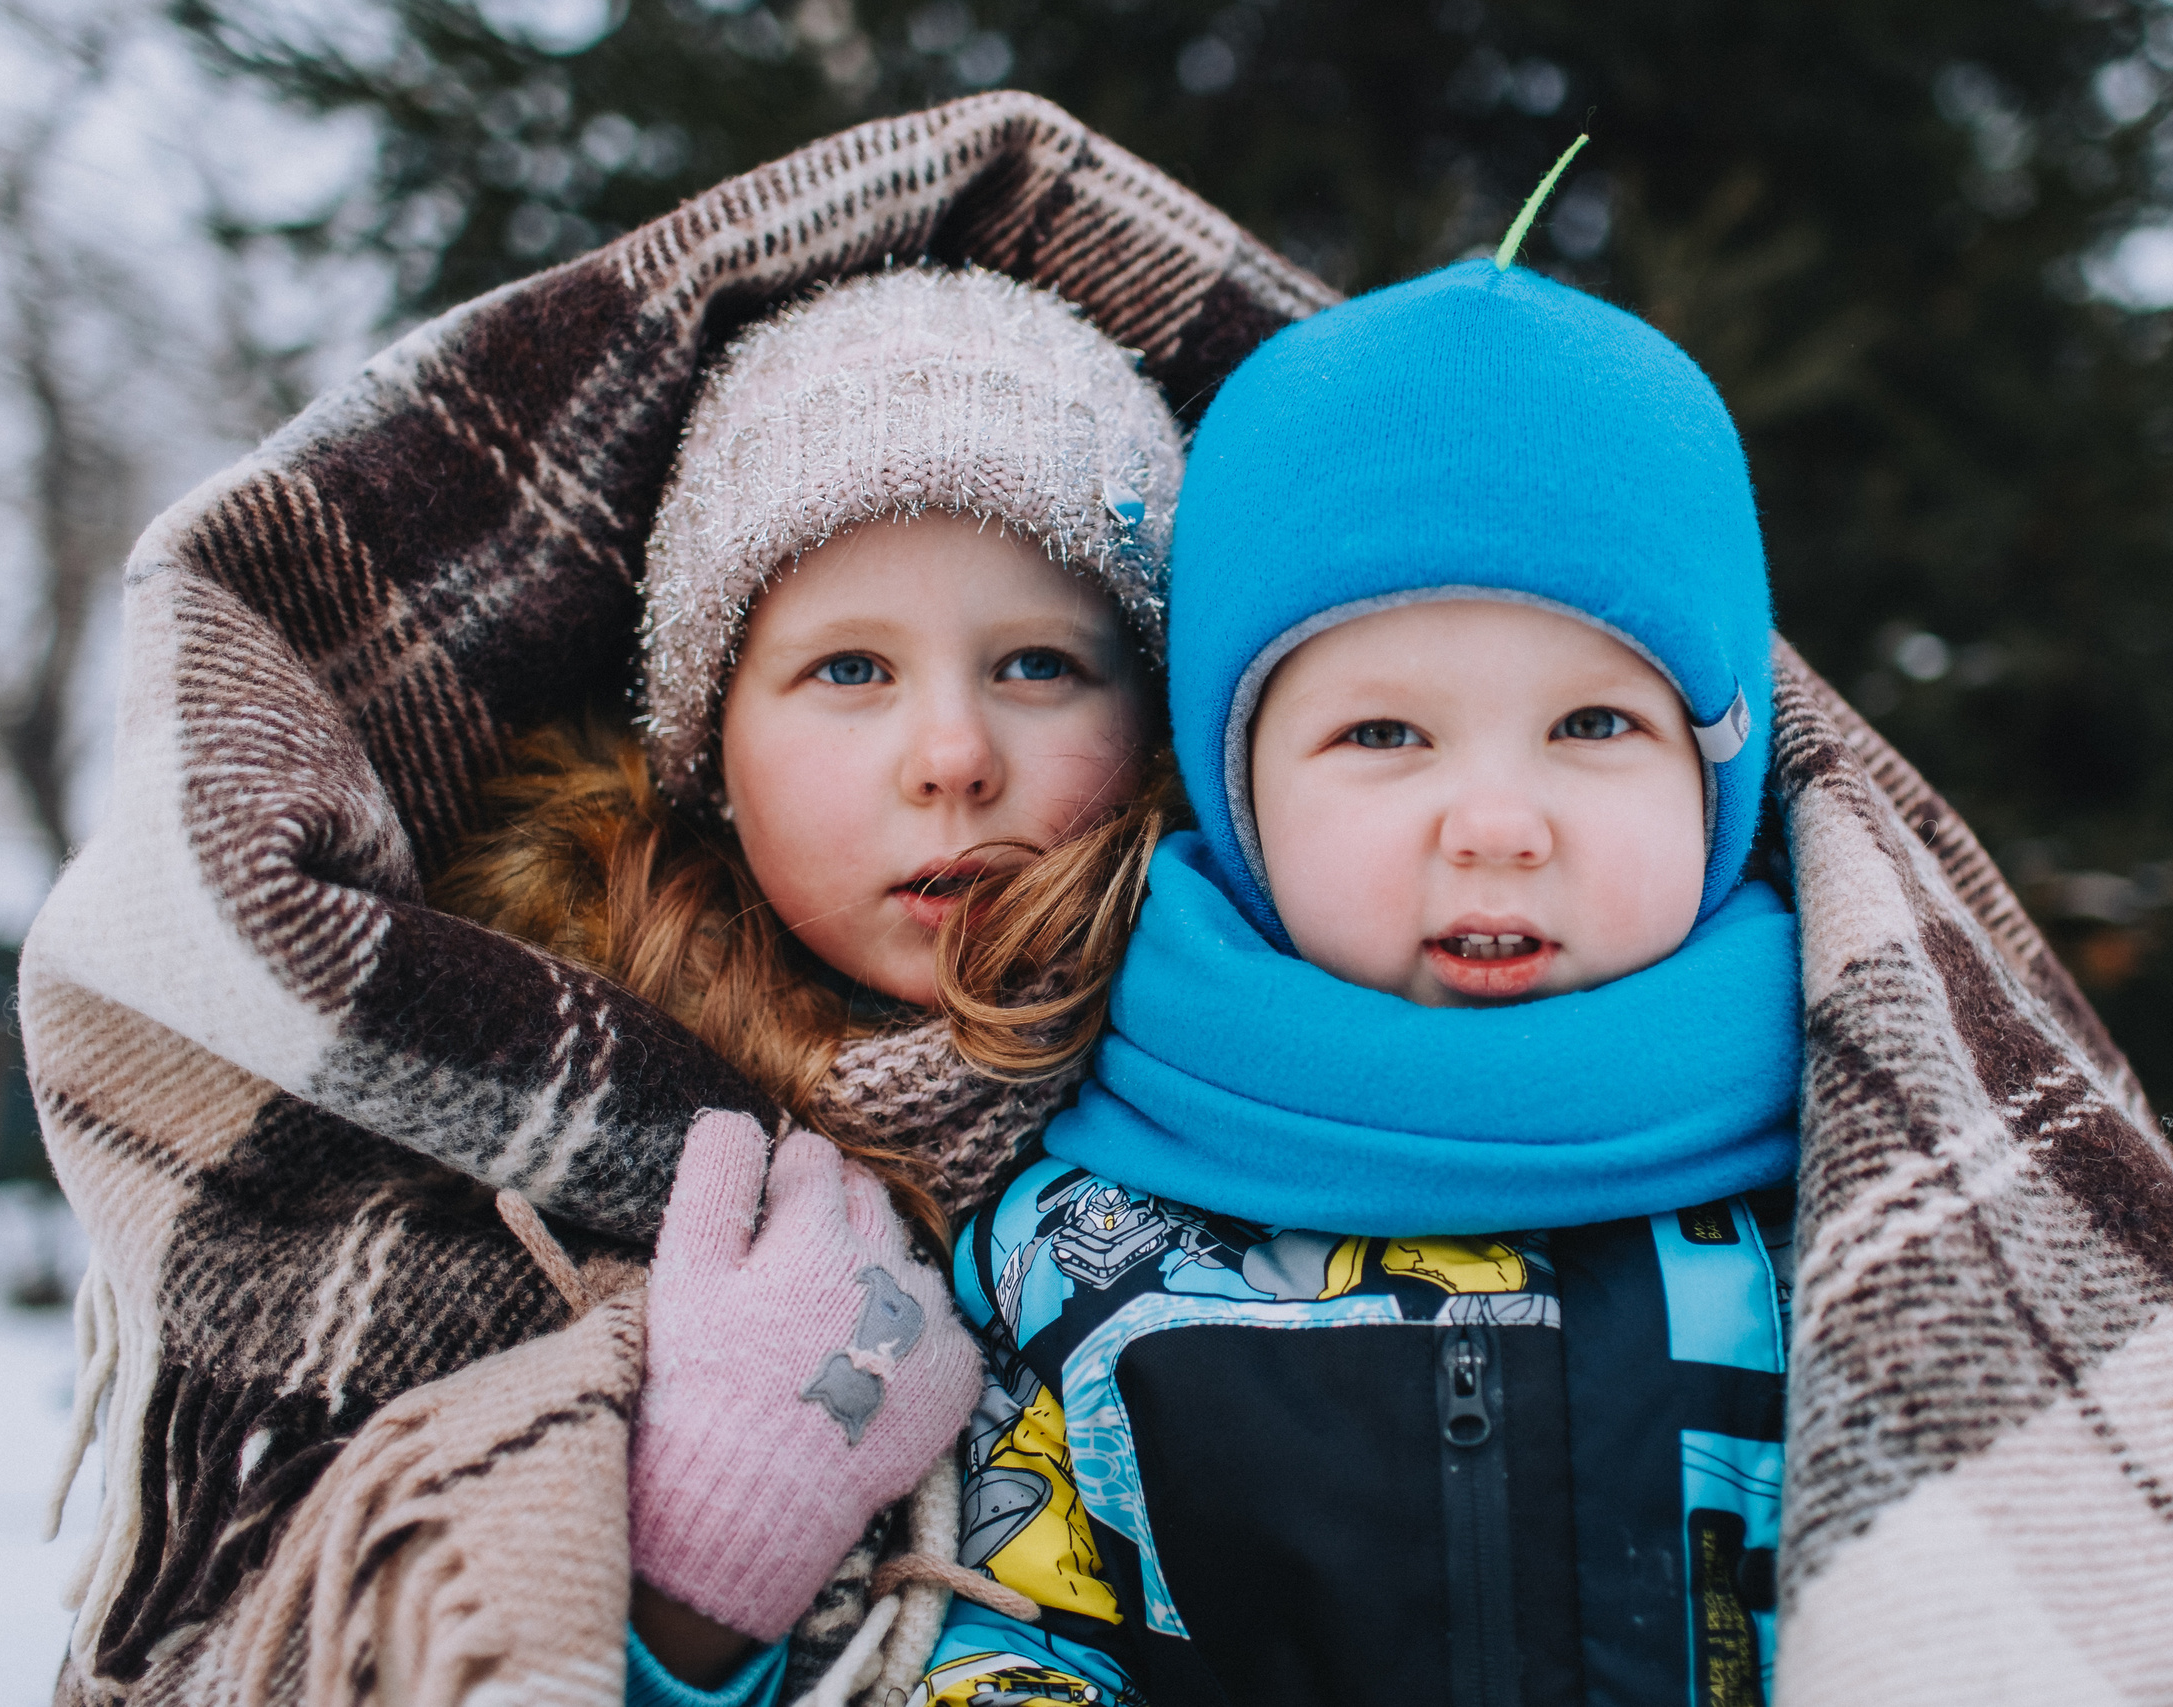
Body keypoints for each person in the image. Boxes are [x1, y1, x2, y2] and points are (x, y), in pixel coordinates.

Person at [915, 246, 1811, 1706]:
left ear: (1722, 771)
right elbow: (1020, 1623)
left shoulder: (1864, 1165)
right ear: (1236, 790)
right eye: (1385, 737)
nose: (1500, 826)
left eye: (1592, 724)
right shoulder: (1086, 1234)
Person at [429, 263, 1189, 1704]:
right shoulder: (536, 1132)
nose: (953, 756)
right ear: (711, 752)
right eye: (849, 670)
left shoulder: (1289, 1076)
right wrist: (708, 1560)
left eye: (1038, 662)